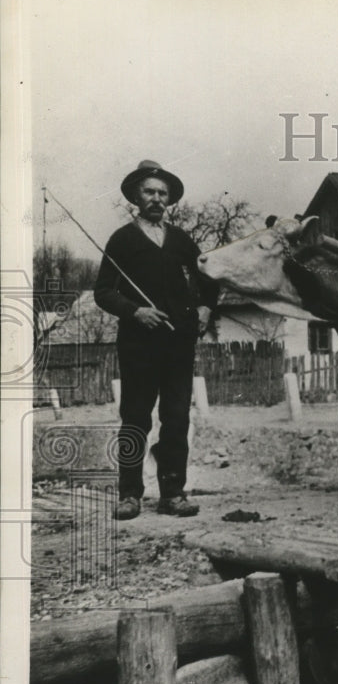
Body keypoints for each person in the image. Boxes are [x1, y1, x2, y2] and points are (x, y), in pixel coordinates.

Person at [94, 160, 219, 519]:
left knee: (177, 417)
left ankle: (173, 494)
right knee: (135, 418)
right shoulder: (122, 239)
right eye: (149, 191)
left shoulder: (180, 239)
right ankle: (130, 495)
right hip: (138, 346)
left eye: (162, 193)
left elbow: (208, 278)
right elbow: (103, 291)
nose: (156, 198)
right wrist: (136, 311)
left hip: (179, 345)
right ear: (136, 195)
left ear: (169, 200)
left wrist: (207, 309)